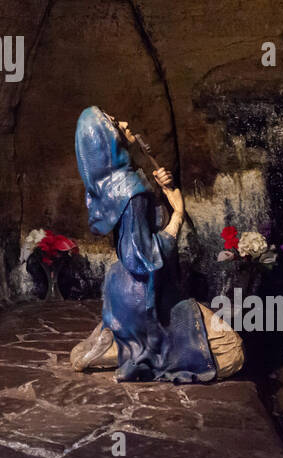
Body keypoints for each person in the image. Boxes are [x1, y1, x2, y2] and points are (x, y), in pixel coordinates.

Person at [68, 106, 235, 382]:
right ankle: (133, 347)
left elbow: (137, 225)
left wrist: (159, 190)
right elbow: (142, 258)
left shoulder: (110, 184)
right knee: (232, 350)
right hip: (144, 294)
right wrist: (178, 215)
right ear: (107, 139)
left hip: (119, 286)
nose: (123, 121)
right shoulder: (131, 190)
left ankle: (116, 341)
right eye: (113, 122)